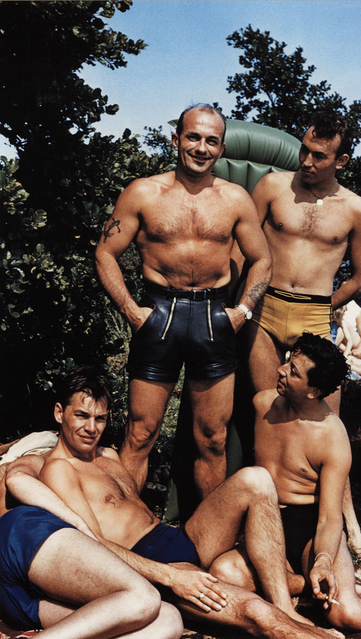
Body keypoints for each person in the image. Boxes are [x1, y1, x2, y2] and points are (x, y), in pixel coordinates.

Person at [5, 366, 343, 639]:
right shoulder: (59, 470)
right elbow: (96, 546)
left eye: (101, 418)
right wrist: (170, 578)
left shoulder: (107, 455)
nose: (91, 428)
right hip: (149, 563)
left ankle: (285, 605)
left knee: (256, 480)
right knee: (256, 613)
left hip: (178, 537)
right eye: (81, 416)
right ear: (59, 413)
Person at [95, 104, 271, 498]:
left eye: (211, 140)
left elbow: (262, 260)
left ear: (221, 148)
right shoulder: (143, 192)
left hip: (214, 317)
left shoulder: (235, 199)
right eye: (193, 137)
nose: (201, 147)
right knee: (140, 433)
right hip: (160, 314)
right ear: (176, 140)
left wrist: (242, 312)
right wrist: (130, 310)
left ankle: (210, 540)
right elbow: (105, 253)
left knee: (212, 438)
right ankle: (125, 534)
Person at [219, 333, 361, 631]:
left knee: (348, 616)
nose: (281, 369)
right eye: (289, 362)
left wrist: (324, 560)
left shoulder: (332, 437)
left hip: (309, 531)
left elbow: (330, 517)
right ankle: (302, 583)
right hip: (264, 521)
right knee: (224, 573)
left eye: (293, 372)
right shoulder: (263, 404)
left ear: (314, 391)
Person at [246, 110, 361, 400]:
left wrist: (324, 308)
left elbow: (360, 280)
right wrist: (240, 305)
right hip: (265, 311)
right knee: (269, 406)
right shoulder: (272, 187)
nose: (306, 161)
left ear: (341, 161)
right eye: (304, 149)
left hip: (315, 316)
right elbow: (243, 251)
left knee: (322, 418)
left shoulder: (356, 209)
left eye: (318, 156)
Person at [0, 463, 183, 638]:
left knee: (168, 619)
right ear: (60, 428)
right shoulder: (43, 450)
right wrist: (81, 525)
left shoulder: (109, 459)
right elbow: (17, 478)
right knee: (144, 598)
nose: (91, 429)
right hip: (21, 537)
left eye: (101, 426)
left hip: (24, 603)